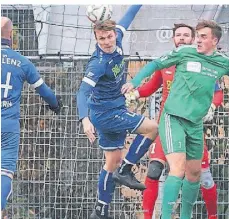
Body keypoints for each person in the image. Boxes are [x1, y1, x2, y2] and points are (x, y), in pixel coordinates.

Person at [122, 20, 229, 219]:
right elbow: (155, 64)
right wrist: (135, 83)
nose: (197, 40)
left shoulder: (222, 63)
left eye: (203, 36)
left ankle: (188, 216)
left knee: (195, 174)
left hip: (195, 123)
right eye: (197, 35)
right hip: (172, 118)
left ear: (214, 40)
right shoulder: (183, 53)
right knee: (175, 168)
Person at [76, 6, 158, 219]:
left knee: (111, 162)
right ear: (96, 37)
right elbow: (83, 92)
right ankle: (127, 171)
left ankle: (101, 210)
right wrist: (85, 120)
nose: (106, 42)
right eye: (101, 38)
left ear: (114, 34)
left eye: (109, 36)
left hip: (113, 109)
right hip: (106, 114)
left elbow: (128, 17)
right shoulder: (98, 63)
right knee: (152, 128)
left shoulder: (119, 38)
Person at [1, 17, 62, 212]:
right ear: (11, 36)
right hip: (8, 125)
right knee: (5, 170)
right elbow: (44, 91)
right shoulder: (22, 62)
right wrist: (55, 105)